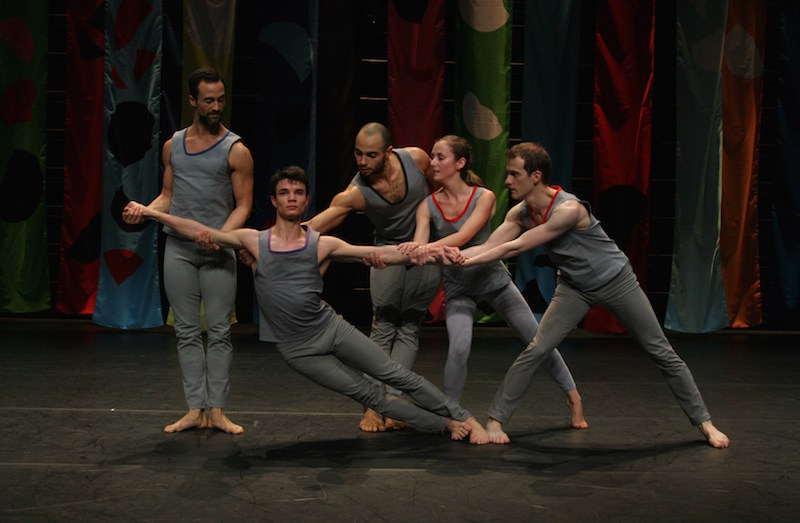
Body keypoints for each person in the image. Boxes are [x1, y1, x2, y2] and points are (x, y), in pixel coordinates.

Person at [123, 166, 490, 444]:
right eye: (285, 192)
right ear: (274, 201)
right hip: (298, 349)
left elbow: (377, 252)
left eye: (298, 192)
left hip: (331, 328)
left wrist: (425, 251)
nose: (292, 198)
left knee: (397, 375)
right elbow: (193, 228)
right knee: (367, 394)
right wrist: (153, 214)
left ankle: (463, 417)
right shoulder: (253, 241)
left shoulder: (321, 243)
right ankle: (446, 424)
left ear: (306, 199)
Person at [436, 142, 729, 448]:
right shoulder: (520, 212)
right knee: (537, 348)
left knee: (660, 351)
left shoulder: (568, 210)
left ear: (535, 176)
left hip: (616, 280)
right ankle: (496, 419)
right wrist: (453, 254)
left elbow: (515, 247)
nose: (507, 181)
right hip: (574, 287)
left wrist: (466, 260)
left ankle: (704, 422)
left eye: (513, 174)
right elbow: (488, 247)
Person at [396, 136, 587, 429]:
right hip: (459, 287)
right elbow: (421, 245)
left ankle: (573, 395)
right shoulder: (427, 206)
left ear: (460, 163)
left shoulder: (483, 197)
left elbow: (463, 238)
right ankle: (454, 414)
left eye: (440, 157)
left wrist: (426, 249)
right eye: (432, 157)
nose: (432, 163)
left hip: (493, 280)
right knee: (459, 347)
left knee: (537, 339)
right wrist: (416, 249)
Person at [123, 68, 254, 434]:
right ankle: (195, 408)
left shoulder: (237, 150)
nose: (216, 107)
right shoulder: (173, 146)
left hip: (218, 249)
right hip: (178, 249)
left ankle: (218, 410)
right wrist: (143, 210)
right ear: (193, 101)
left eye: (221, 99)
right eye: (209, 100)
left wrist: (220, 236)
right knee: (185, 330)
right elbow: (168, 197)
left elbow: (243, 205)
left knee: (218, 330)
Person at [305, 122, 442, 432]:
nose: (362, 162)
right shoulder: (357, 192)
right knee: (383, 327)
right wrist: (279, 239)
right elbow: (320, 222)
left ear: (388, 152)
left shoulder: (417, 160)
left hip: (426, 252)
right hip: (387, 255)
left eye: (370, 155)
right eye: (357, 154)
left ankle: (393, 405)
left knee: (409, 327)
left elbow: (445, 189)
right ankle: (372, 405)